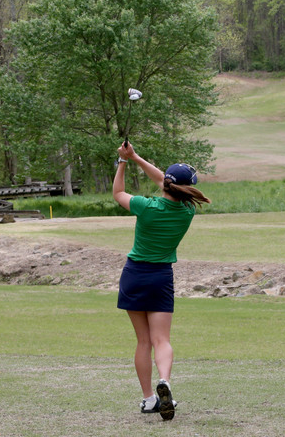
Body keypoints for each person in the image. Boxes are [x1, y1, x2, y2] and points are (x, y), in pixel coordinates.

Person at [113, 140, 210, 421]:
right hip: (160, 277)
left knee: (143, 341)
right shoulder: (188, 211)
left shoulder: (145, 206)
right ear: (187, 188)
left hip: (134, 275)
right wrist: (137, 158)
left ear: (166, 184)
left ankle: (147, 399)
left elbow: (118, 192)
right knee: (161, 339)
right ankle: (165, 381)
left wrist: (124, 161)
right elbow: (166, 183)